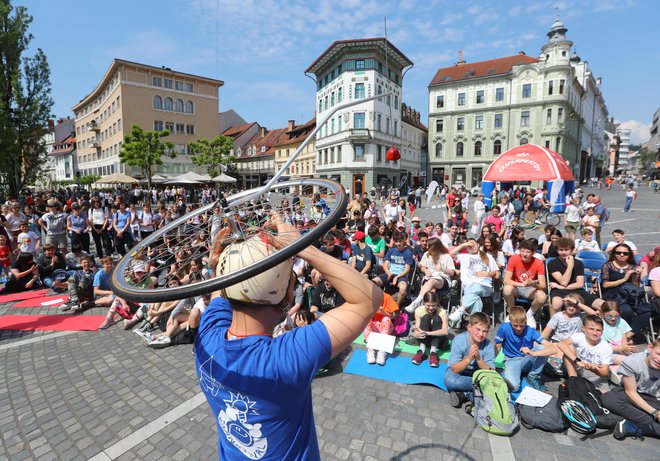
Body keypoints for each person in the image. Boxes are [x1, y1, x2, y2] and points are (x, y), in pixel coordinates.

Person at [195, 216, 381, 460]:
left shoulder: (207, 337)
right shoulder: (285, 357)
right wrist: (302, 246)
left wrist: (226, 261)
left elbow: (222, 288)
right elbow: (369, 299)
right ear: (287, 290)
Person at [601, 338, 660, 440]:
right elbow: (631, 392)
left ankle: (635, 425)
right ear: (650, 348)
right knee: (609, 399)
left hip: (653, 399)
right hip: (631, 394)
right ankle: (649, 424)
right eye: (658, 354)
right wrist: (654, 413)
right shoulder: (632, 361)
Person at [494, 306, 557, 392]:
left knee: (542, 347)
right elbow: (497, 345)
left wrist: (532, 353)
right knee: (514, 388)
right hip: (511, 360)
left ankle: (533, 376)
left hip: (527, 359)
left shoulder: (531, 331)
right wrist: (493, 364)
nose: (519, 328)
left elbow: (553, 349)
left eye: (521, 325)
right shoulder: (504, 328)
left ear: (526, 322)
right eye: (515, 326)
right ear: (510, 322)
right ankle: (520, 373)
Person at [445, 312, 496, 408]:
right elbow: (454, 369)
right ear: (469, 327)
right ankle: (477, 392)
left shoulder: (488, 346)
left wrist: (478, 359)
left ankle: (465, 395)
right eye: (478, 329)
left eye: (484, 331)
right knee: (449, 380)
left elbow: (491, 372)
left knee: (491, 386)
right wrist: (469, 358)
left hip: (477, 375)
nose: (481, 334)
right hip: (460, 374)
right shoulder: (459, 340)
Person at [448, 239, 499, 327]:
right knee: (476, 299)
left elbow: (497, 275)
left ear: (478, 245)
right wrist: (464, 244)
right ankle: (476, 325)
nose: (472, 247)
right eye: (469, 246)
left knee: (477, 287)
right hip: (468, 286)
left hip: (485, 286)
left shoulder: (488, 257)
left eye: (474, 244)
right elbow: (450, 254)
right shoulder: (464, 256)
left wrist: (486, 274)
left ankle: (461, 309)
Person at [557, 315, 614, 393]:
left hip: (594, 373)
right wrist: (578, 361)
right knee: (569, 348)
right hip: (577, 366)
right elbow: (561, 343)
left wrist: (590, 367)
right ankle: (573, 381)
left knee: (604, 396)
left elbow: (604, 372)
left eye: (598, 330)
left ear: (602, 331)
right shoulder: (580, 336)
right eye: (591, 329)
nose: (595, 333)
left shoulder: (606, 347)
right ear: (583, 328)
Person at [548, 238, 604, 316]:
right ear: (557, 250)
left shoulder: (578, 263)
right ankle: (553, 326)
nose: (564, 252)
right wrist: (570, 266)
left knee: (604, 305)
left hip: (577, 290)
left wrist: (562, 287)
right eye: (561, 250)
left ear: (572, 250)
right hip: (558, 291)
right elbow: (564, 282)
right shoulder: (552, 263)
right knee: (556, 304)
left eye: (566, 250)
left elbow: (580, 284)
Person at [503, 239, 547, 328]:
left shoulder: (538, 263)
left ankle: (529, 315)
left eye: (527, 252)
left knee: (542, 296)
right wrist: (521, 284)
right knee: (507, 289)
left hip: (531, 288)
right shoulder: (514, 258)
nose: (524, 254)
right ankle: (512, 312)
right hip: (517, 287)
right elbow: (506, 280)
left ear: (533, 253)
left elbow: (543, 285)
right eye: (522, 251)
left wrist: (534, 284)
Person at [406, 237, 456, 313]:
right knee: (431, 291)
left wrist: (443, 269)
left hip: (443, 280)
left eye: (428, 246)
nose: (426, 247)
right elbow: (422, 267)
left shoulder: (446, 256)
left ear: (435, 247)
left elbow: (452, 272)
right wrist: (425, 270)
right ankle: (430, 314)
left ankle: (416, 302)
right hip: (429, 277)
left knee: (432, 281)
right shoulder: (427, 254)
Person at [372, 231, 414, 308]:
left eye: (400, 241)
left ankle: (396, 307)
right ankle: (377, 302)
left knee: (403, 289)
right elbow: (385, 265)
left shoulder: (408, 252)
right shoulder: (391, 250)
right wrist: (389, 273)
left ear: (403, 240)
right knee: (373, 282)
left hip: (401, 276)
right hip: (389, 273)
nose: (398, 244)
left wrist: (397, 277)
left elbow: (407, 270)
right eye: (396, 241)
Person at [411, 292, 449, 367]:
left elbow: (445, 331)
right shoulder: (419, 310)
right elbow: (417, 328)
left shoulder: (442, 312)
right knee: (426, 317)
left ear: (437, 303)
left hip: (438, 340)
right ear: (424, 303)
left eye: (433, 305)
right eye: (428, 305)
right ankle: (421, 351)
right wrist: (416, 333)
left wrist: (428, 333)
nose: (431, 308)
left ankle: (433, 352)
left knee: (437, 318)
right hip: (424, 339)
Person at [364, 292, 399, 366]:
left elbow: (392, 317)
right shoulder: (367, 297)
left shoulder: (387, 297)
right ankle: (370, 349)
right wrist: (373, 311)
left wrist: (383, 312)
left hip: (386, 327)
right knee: (367, 319)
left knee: (386, 318)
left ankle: (382, 351)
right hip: (374, 326)